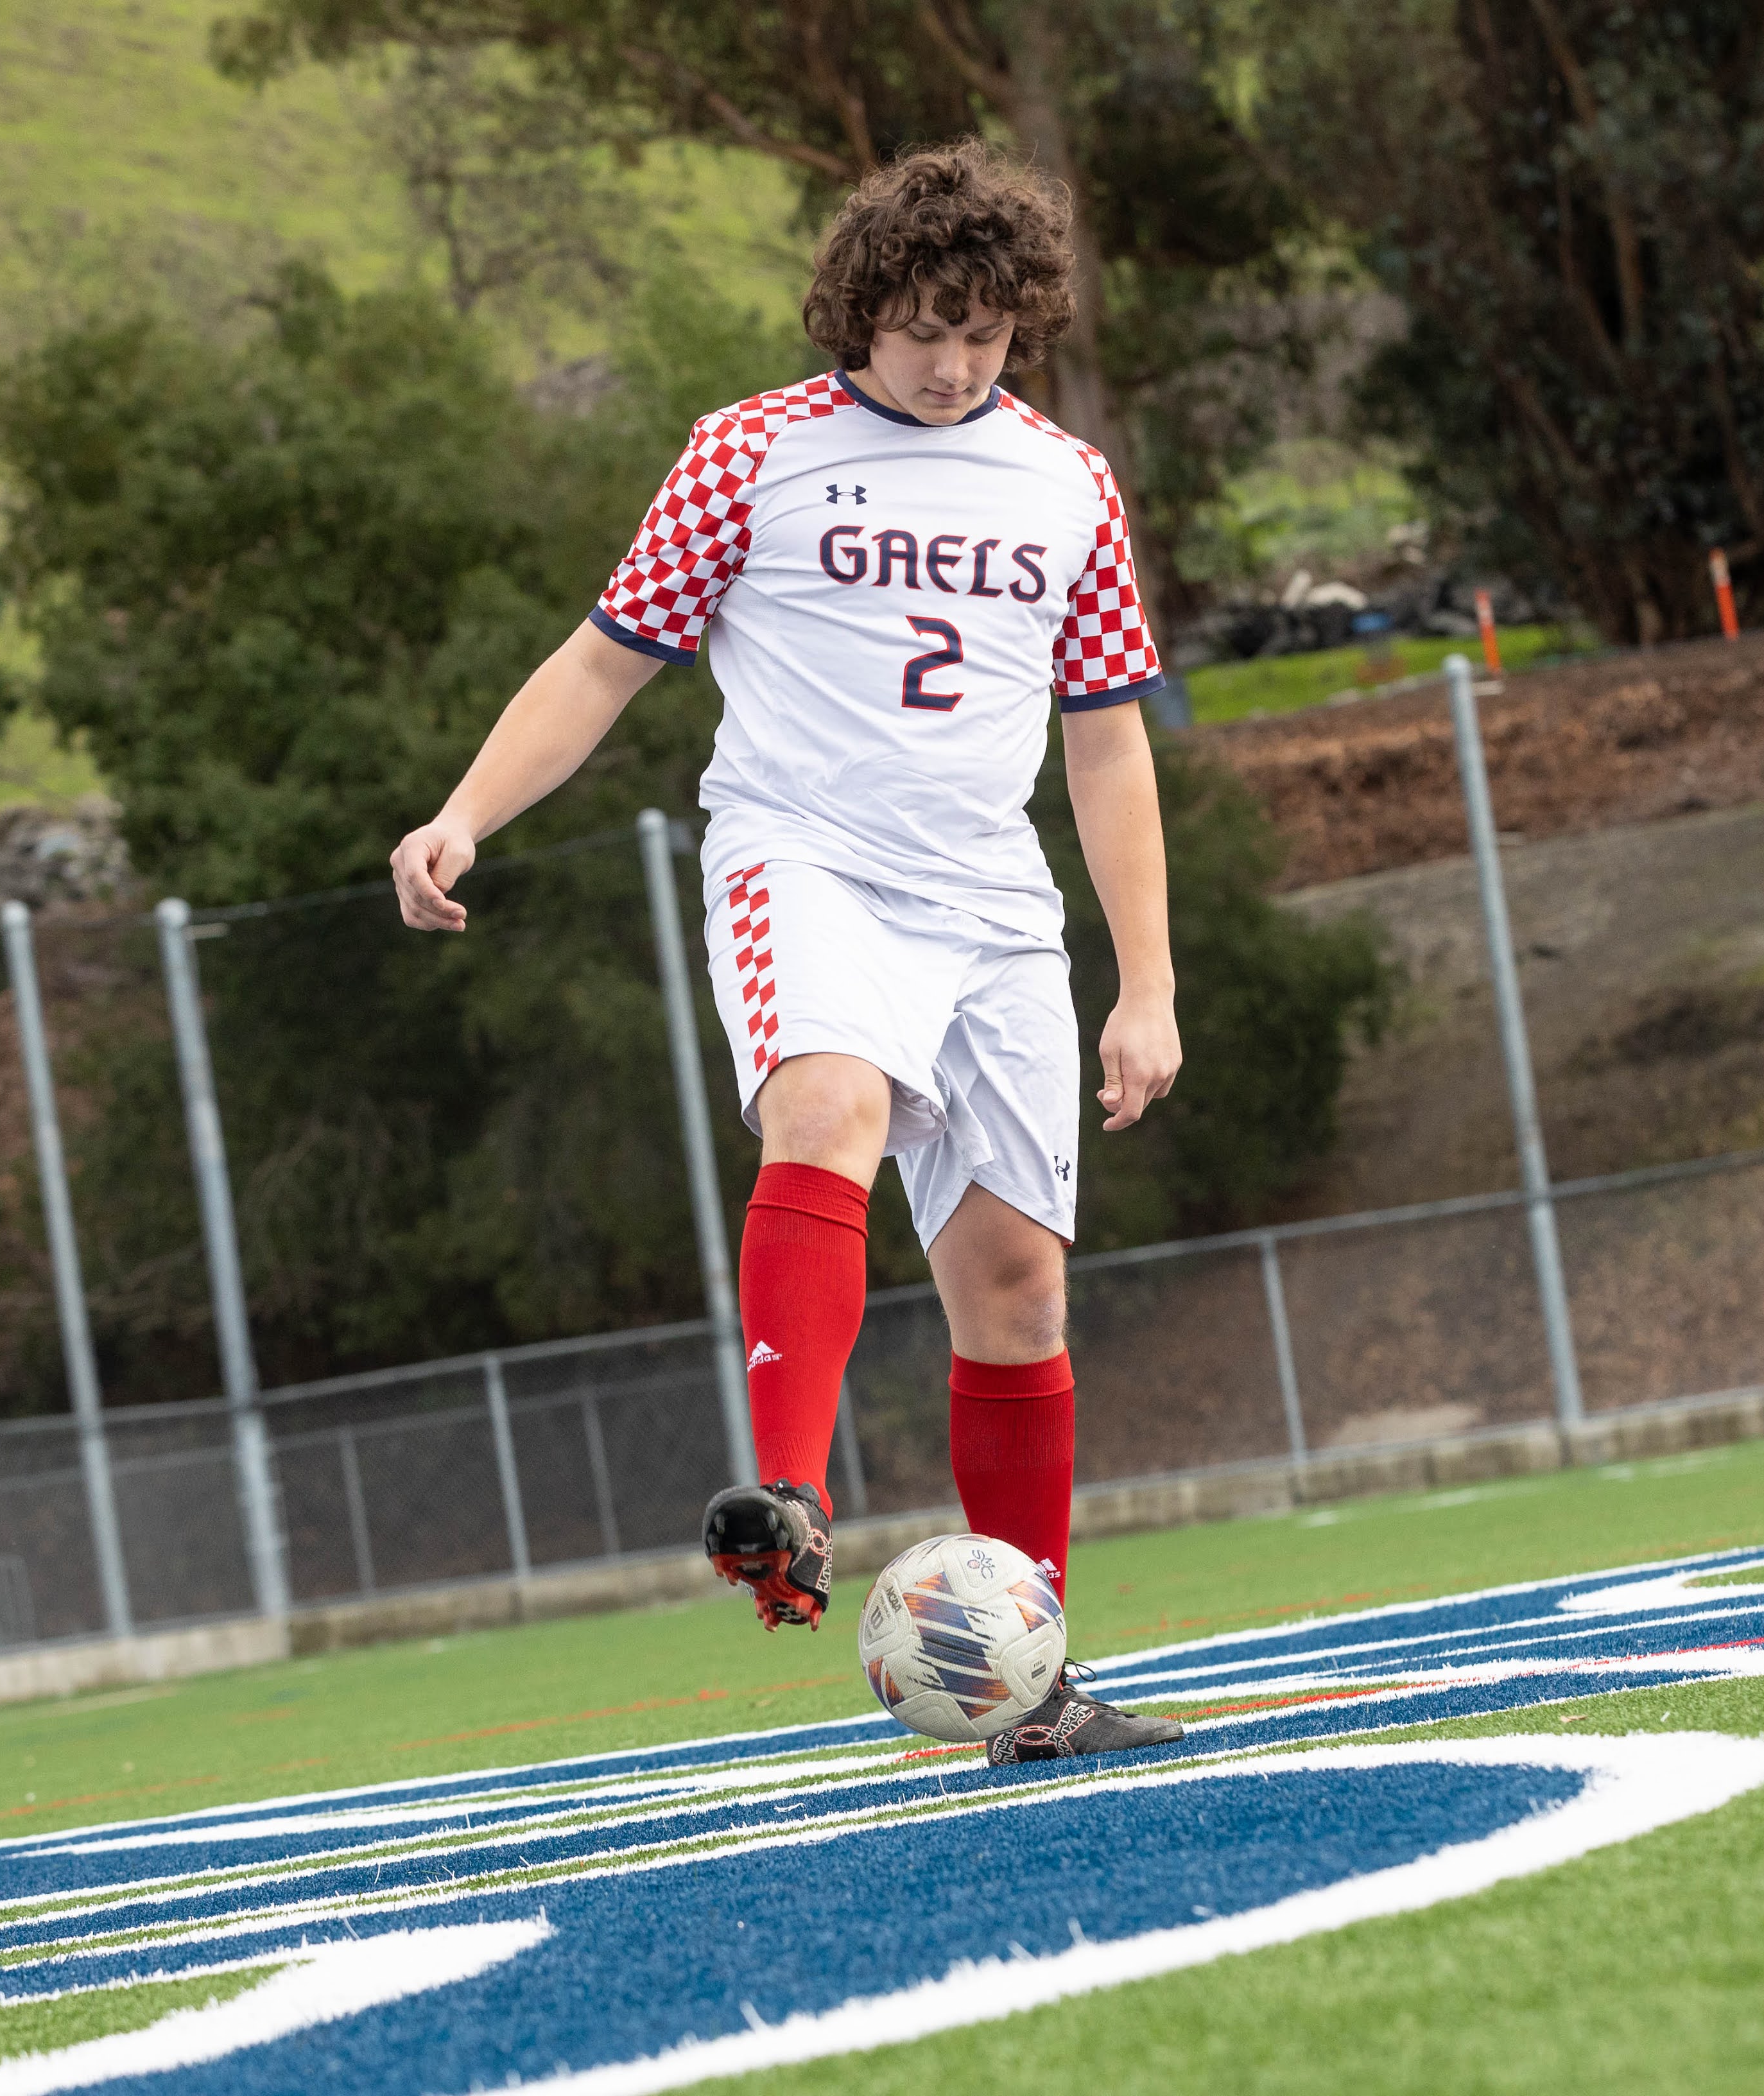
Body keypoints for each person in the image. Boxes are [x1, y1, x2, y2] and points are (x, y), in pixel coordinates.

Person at [390, 141, 1182, 1763]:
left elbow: (1106, 746)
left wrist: (1146, 981)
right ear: (858, 313)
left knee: (1019, 1295)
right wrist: (464, 814)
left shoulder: (1068, 483)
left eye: (987, 334)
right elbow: (604, 665)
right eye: (922, 332)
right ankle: (789, 1496)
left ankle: (1025, 1672)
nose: (954, 365)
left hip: (994, 909)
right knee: (825, 1110)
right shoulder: (751, 453)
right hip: (805, 862)